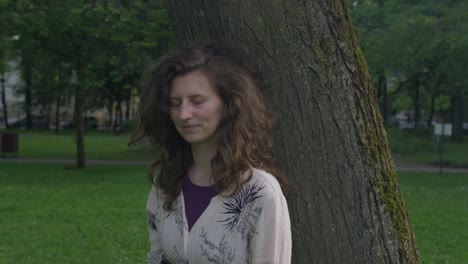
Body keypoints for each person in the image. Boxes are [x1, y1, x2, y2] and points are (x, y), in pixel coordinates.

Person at [130, 40, 292, 264]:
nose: (184, 114)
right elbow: (156, 257)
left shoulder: (259, 193)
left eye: (197, 101)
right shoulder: (165, 182)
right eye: (175, 103)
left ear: (228, 105)